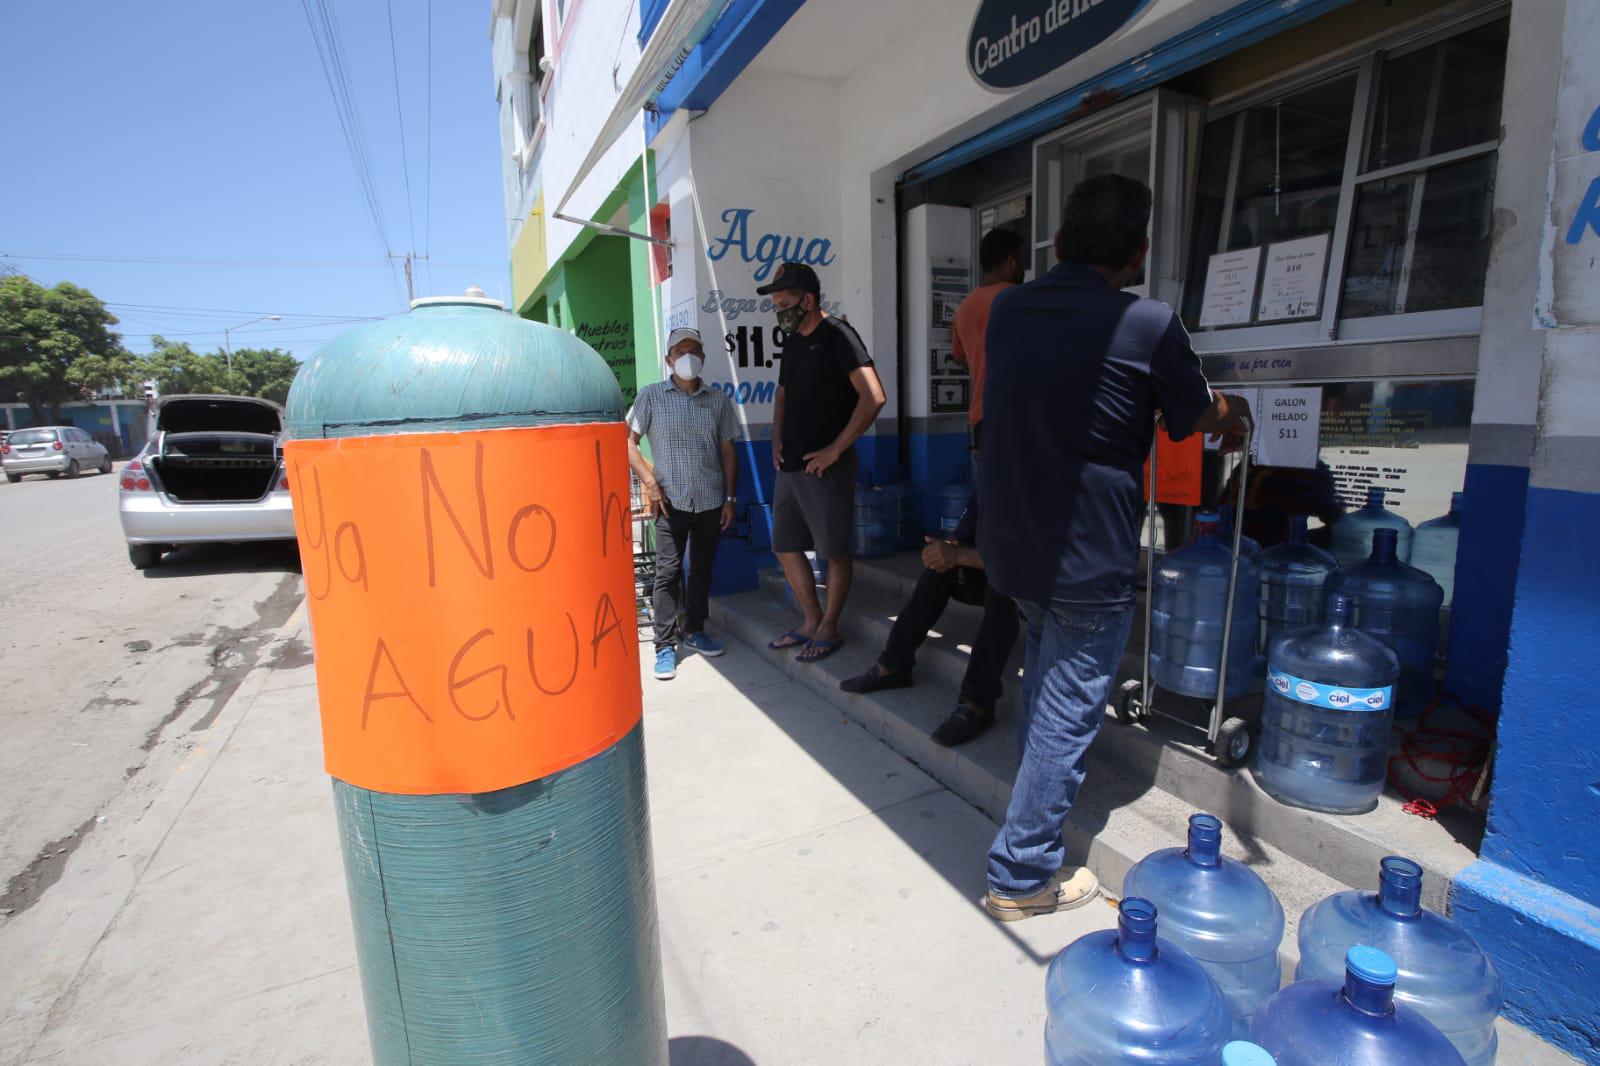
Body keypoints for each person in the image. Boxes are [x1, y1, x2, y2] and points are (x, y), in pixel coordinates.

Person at [977, 174, 1251, 922]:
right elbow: (1194, 415)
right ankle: (1021, 874)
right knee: (1067, 709)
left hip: (1014, 546)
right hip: (1086, 555)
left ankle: (1031, 824)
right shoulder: (1148, 323)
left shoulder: (1008, 311)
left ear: (1058, 244)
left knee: (1046, 685)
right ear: (1139, 254)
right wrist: (1238, 411)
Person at [760, 262, 886, 664]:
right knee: (784, 546)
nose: (780, 312)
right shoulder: (794, 340)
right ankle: (810, 620)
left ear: (808, 299)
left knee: (833, 552)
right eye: (776, 304)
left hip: (825, 468)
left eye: (784, 303)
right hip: (790, 466)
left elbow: (874, 397)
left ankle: (829, 627)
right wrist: (776, 438)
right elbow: (783, 394)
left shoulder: (840, 337)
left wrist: (835, 450)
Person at [839, 494, 1021, 746]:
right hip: (990, 570)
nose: (983, 457)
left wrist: (960, 555)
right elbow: (962, 538)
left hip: (1041, 586)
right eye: (978, 453)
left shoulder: (1036, 484)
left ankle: (976, 704)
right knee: (939, 571)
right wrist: (945, 550)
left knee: (1003, 590)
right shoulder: (990, 485)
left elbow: (1024, 561)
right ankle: (893, 666)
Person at [626, 327, 740, 682]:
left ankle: (694, 630)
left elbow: (727, 452)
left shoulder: (718, 401)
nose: (687, 356)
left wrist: (730, 498)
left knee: (702, 570)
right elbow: (628, 443)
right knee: (667, 573)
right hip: (670, 502)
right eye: (680, 350)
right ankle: (663, 645)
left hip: (709, 501)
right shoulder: (650, 397)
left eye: (693, 350)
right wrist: (650, 484)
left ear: (703, 358)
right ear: (668, 359)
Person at [952, 226, 1026, 450]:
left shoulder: (964, 308)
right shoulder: (1020, 299)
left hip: (982, 417)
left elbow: (959, 357)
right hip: (1018, 415)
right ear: (1012, 263)